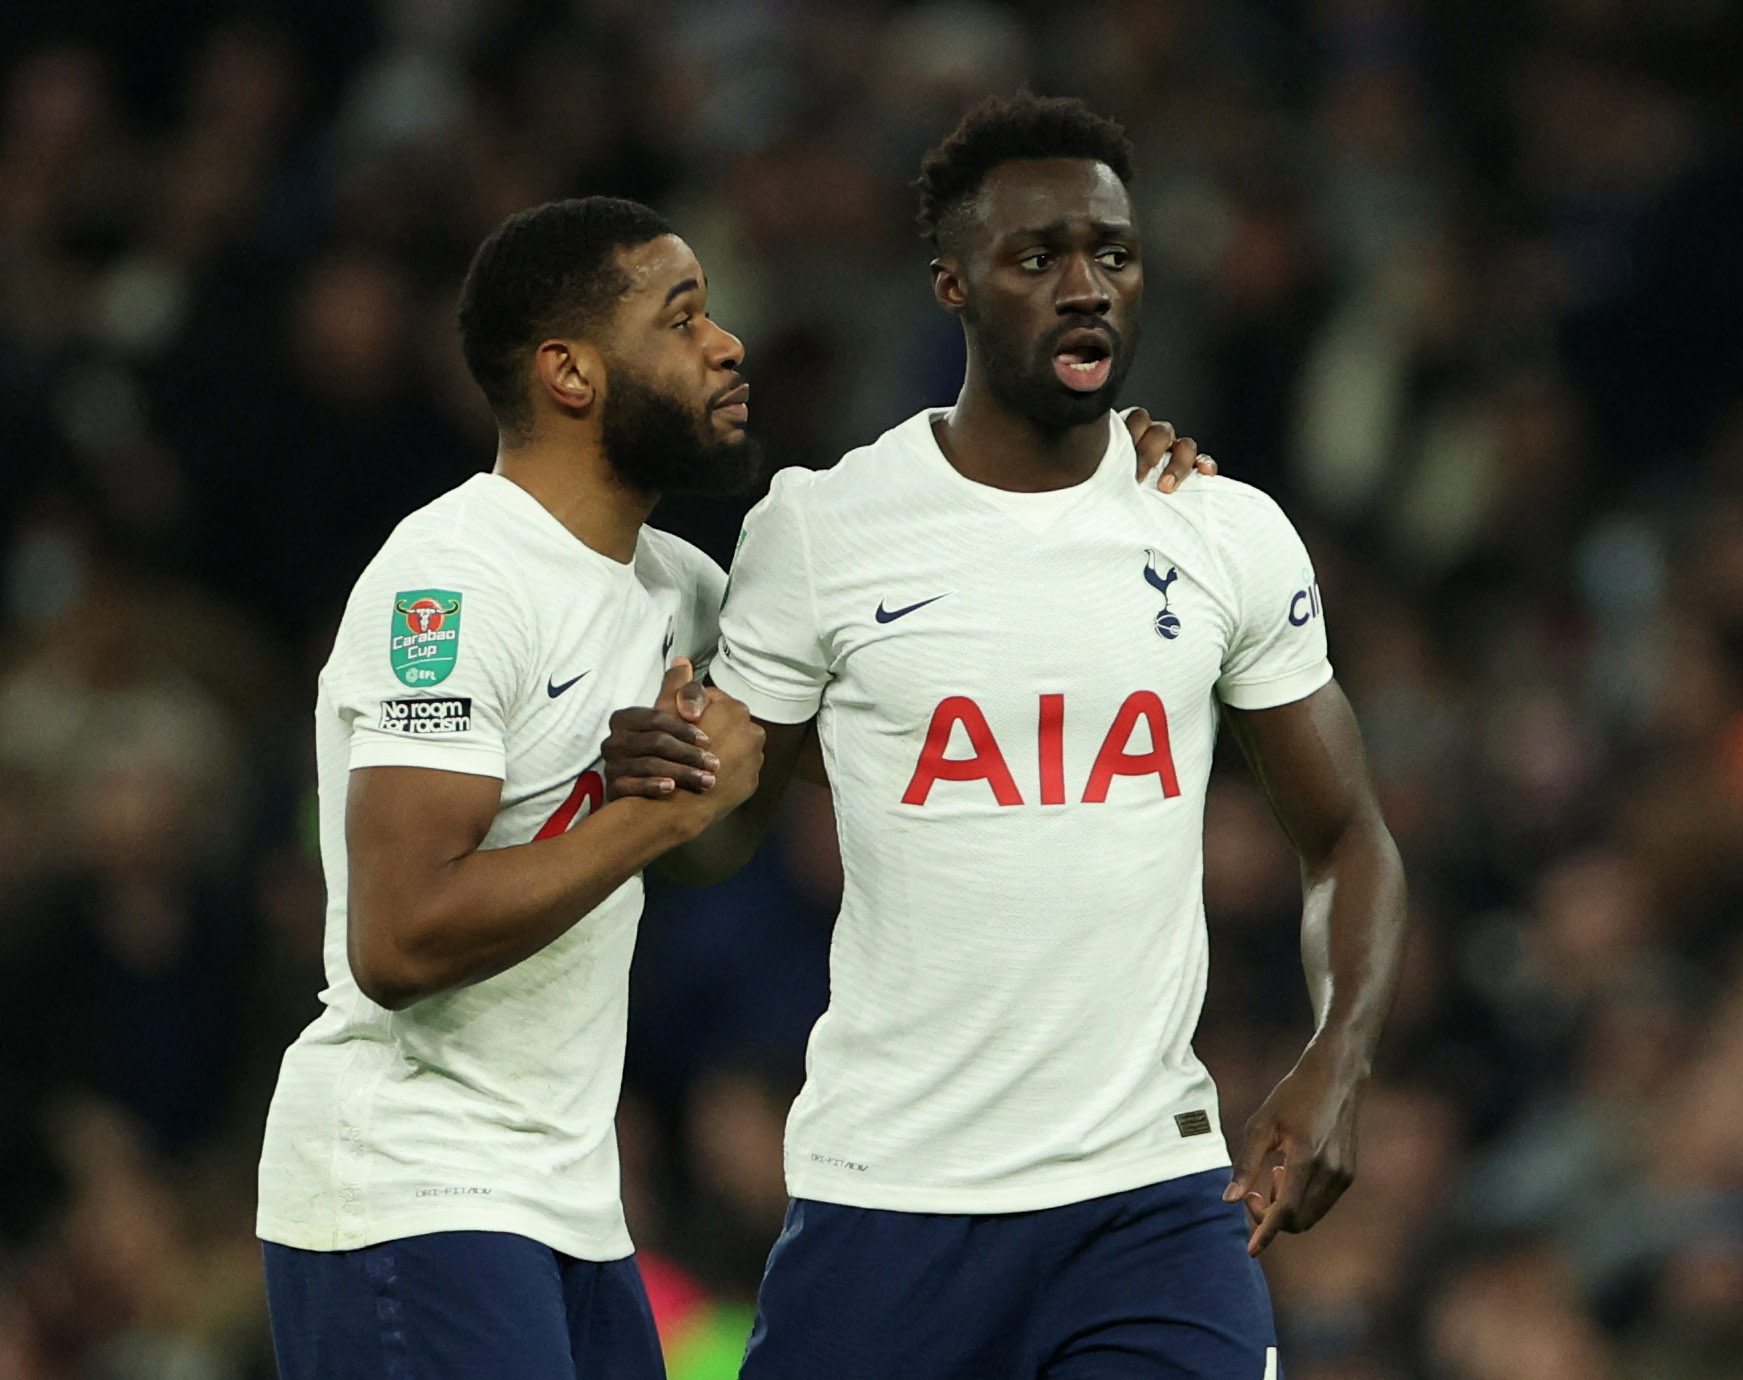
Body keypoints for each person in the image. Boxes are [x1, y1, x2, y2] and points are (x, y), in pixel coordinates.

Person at [615, 94, 1409, 1378]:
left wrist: (1338, 1058)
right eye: (1037, 258)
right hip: (890, 1198)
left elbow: (1348, 840)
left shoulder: (1222, 531)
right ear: (952, 287)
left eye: (1113, 252)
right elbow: (718, 848)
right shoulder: (824, 530)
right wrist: (667, 788)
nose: (1085, 285)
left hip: (1149, 1204)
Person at [254, 195, 769, 1380]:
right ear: (570, 373)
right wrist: (664, 808)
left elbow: (707, 838)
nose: (725, 343)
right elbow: (399, 937)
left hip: (570, 1203)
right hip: (410, 1183)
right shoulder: (452, 582)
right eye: (682, 316)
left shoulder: (677, 589)